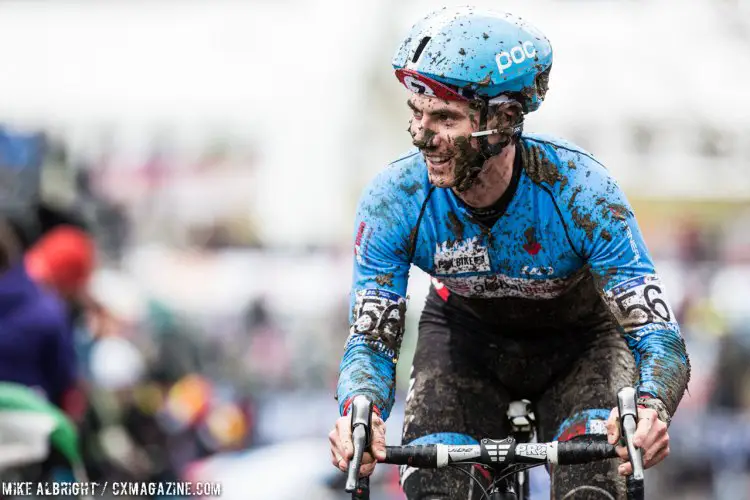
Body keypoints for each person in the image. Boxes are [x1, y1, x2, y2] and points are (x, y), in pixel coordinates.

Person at [329, 7, 690, 499]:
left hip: (582, 347)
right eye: (416, 113)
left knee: (595, 489)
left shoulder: (583, 193)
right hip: (465, 347)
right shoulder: (394, 200)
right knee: (438, 490)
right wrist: (361, 409)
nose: (421, 135)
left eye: (445, 118)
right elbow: (371, 338)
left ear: (503, 120)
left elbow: (659, 336)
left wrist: (651, 409)